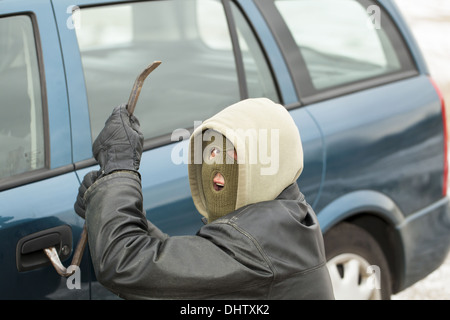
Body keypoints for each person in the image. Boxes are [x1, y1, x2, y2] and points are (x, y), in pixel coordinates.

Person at [74, 98, 334, 299]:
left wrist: (119, 167)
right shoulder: (284, 216)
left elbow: (125, 264)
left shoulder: (258, 246)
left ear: (267, 165)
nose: (216, 170)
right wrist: (105, 204)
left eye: (233, 155)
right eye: (210, 152)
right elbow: (183, 265)